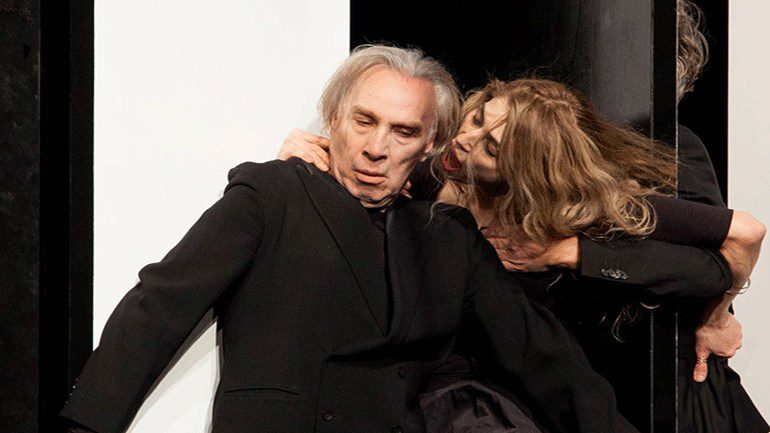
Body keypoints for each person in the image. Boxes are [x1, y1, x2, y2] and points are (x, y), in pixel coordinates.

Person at [61, 45, 649, 433]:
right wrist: (86, 425)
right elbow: (159, 307)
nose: (376, 148)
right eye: (364, 121)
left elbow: (543, 356)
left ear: (431, 143)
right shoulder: (273, 193)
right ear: (334, 117)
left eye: (403, 131)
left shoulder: (448, 237)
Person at [278, 76, 767, 432]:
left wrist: (570, 251)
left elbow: (742, 236)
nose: (464, 141)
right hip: (472, 398)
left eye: (491, 148)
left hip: (610, 395)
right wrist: (304, 157)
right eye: (476, 119)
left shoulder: (581, 207)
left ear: (524, 171)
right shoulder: (432, 178)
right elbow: (360, 166)